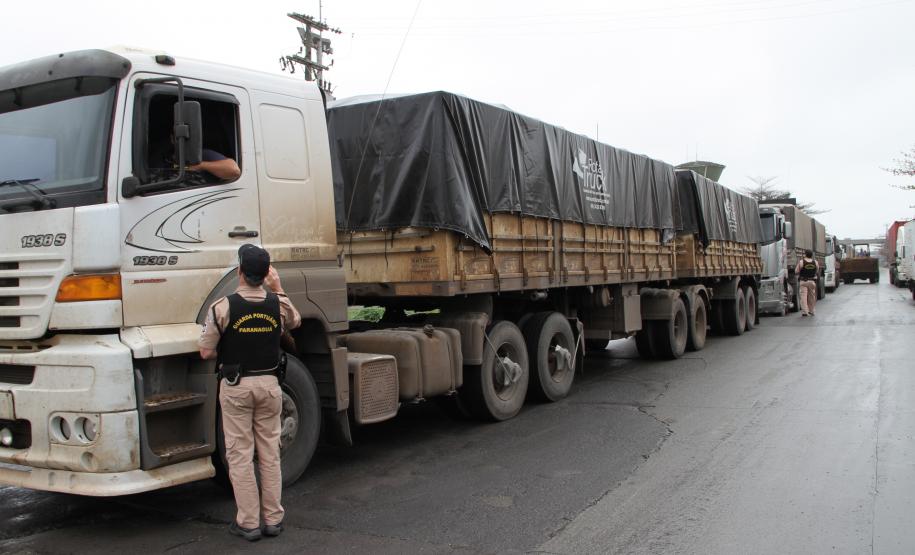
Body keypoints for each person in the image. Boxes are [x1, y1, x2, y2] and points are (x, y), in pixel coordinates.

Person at [198, 244, 302, 541]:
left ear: (240, 272)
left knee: (240, 455)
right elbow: (295, 321)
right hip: (270, 386)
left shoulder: (222, 306)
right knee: (270, 453)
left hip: (236, 388)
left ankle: (248, 523)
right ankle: (272, 520)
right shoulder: (277, 305)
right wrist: (278, 287)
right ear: (266, 274)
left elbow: (206, 351)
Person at [795, 249, 819, 317]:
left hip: (804, 281)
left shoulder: (801, 262)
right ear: (811, 255)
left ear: (805, 254)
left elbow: (796, 271)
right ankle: (811, 311)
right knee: (812, 297)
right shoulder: (815, 262)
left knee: (803, 297)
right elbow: (816, 271)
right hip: (812, 281)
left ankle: (805, 312)